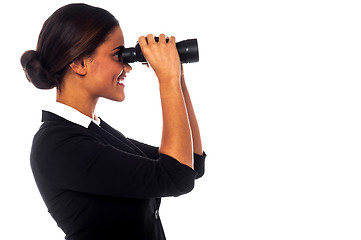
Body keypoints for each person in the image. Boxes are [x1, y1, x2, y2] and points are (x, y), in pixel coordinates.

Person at [20, 3, 206, 240]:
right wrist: (166, 79)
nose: (127, 67)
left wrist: (177, 76)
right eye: (118, 55)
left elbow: (191, 165)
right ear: (79, 63)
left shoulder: (93, 131)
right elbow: (175, 176)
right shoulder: (58, 145)